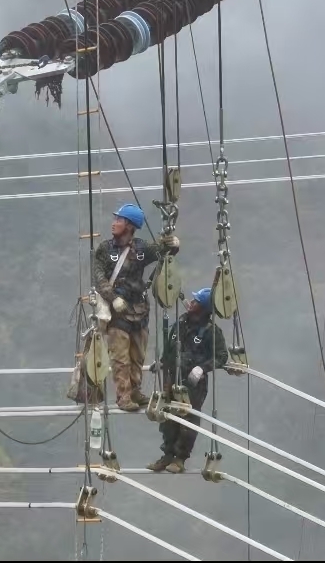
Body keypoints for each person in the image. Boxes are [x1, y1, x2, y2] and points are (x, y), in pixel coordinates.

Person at [92, 203, 180, 412]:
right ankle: (123, 396)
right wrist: (112, 298)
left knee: (137, 355)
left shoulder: (141, 248)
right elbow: (99, 277)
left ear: (130, 226)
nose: (114, 224)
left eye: (119, 220)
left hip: (139, 309)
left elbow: (162, 251)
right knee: (120, 357)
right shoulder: (105, 249)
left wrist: (172, 244)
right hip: (117, 311)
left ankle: (135, 390)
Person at [147, 287, 229, 474]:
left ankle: (180, 458)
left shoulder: (211, 331)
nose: (191, 303)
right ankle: (167, 455)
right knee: (167, 417)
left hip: (193, 383)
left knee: (188, 420)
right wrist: (161, 363)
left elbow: (222, 356)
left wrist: (203, 368)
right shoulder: (181, 323)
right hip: (173, 377)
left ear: (204, 307)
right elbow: (170, 348)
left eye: (196, 301)